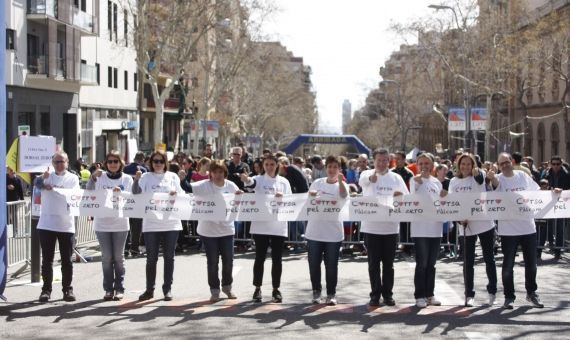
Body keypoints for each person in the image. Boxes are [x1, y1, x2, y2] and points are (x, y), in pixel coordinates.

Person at [487, 152, 550, 309]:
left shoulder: (522, 176)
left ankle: (532, 293)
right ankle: (509, 297)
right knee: (508, 266)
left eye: (507, 162)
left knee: (531, 265)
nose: (505, 165)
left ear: (512, 161)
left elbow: (537, 193)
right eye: (502, 163)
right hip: (508, 230)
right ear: (499, 165)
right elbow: (494, 190)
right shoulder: (498, 179)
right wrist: (492, 177)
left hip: (527, 227)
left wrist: (554, 193)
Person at [358, 148, 408, 307]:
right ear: (374, 161)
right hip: (371, 227)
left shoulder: (396, 178)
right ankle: (375, 294)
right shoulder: (366, 174)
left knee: (388, 264)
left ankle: (388, 294)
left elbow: (406, 197)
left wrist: (400, 197)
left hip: (391, 228)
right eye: (379, 160)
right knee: (373, 264)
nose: (381, 163)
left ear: (389, 161)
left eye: (385, 160)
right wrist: (371, 179)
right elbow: (363, 183)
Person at [446, 154, 497, 307]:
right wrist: (458, 219)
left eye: (469, 164)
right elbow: (452, 203)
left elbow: (482, 181)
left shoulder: (478, 175)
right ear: (458, 165)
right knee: (468, 262)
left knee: (489, 259)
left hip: (484, 223)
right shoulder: (454, 182)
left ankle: (492, 291)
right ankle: (469, 294)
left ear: (473, 165)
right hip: (465, 225)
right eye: (463, 164)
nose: (466, 167)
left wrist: (479, 175)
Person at [133, 150, 184, 301]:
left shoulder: (172, 177)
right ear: (151, 162)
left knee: (169, 257)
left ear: (165, 163)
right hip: (151, 223)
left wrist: (176, 194)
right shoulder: (146, 177)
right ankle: (149, 290)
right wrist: (136, 180)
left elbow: (182, 195)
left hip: (171, 223)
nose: (158, 164)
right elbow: (136, 193)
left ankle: (167, 289)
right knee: (151, 259)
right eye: (155, 161)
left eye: (161, 161)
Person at [240, 155, 292, 303]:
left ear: (277, 165)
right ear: (263, 166)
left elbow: (291, 201)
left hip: (278, 226)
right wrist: (246, 179)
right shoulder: (259, 179)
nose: (269, 167)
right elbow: (251, 183)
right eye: (267, 164)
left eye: (272, 164)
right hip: (260, 225)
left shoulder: (284, 182)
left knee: (277, 259)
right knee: (260, 258)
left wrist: (284, 198)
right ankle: (257, 288)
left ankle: (276, 289)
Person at [189, 160, 242, 302]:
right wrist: (183, 178)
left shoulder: (231, 186)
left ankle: (227, 287)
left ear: (225, 173)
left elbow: (241, 200)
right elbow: (187, 188)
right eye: (215, 172)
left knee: (228, 261)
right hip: (208, 231)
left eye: (221, 172)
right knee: (212, 262)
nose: (218, 175)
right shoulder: (203, 186)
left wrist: (240, 195)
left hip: (227, 230)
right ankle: (214, 290)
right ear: (210, 174)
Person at [87, 151, 133, 301]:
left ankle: (119, 288)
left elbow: (134, 198)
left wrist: (123, 194)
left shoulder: (127, 179)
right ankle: (108, 289)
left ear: (121, 163)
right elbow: (89, 191)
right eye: (110, 161)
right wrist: (93, 176)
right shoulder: (100, 177)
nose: (113, 164)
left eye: (116, 161)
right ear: (106, 163)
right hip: (102, 223)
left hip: (120, 223)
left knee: (118, 257)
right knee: (106, 257)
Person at [36, 151, 80, 302]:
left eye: (62, 162)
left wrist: (53, 188)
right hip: (47, 224)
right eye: (56, 162)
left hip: (66, 224)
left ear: (67, 162)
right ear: (52, 163)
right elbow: (35, 186)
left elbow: (72, 194)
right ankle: (46, 290)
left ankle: (67, 290)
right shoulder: (47, 175)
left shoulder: (73, 178)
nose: (59, 165)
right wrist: (43, 180)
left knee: (66, 260)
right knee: (47, 260)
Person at [305, 155, 348, 305]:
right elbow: (308, 202)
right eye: (329, 167)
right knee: (314, 264)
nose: (331, 170)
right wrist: (311, 196)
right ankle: (316, 292)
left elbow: (343, 195)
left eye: (335, 167)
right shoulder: (317, 183)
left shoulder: (343, 185)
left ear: (339, 169)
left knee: (331, 265)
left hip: (333, 233)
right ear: (325, 168)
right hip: (314, 231)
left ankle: (331, 294)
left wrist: (341, 181)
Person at [410, 153, 444, 308]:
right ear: (417, 165)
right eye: (421, 163)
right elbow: (411, 198)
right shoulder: (414, 180)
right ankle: (420, 295)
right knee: (422, 263)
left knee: (431, 264)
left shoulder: (437, 182)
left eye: (427, 163)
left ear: (432, 166)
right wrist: (417, 183)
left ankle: (430, 294)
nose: (424, 166)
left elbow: (440, 202)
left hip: (435, 227)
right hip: (420, 228)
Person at [542, 155, 570, 259]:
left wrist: (561, 190)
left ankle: (558, 250)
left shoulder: (567, 174)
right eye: (553, 164)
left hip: (562, 205)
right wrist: (550, 188)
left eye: (557, 164)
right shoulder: (547, 173)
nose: (555, 166)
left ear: (561, 164)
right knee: (547, 225)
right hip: (549, 203)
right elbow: (541, 184)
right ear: (550, 164)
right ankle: (548, 245)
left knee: (560, 226)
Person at [124, 151, 148, 257]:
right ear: (142, 159)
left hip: (127, 200)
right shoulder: (143, 170)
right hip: (138, 201)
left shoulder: (126, 168)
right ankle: (134, 248)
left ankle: (125, 248)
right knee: (137, 227)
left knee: (127, 225)